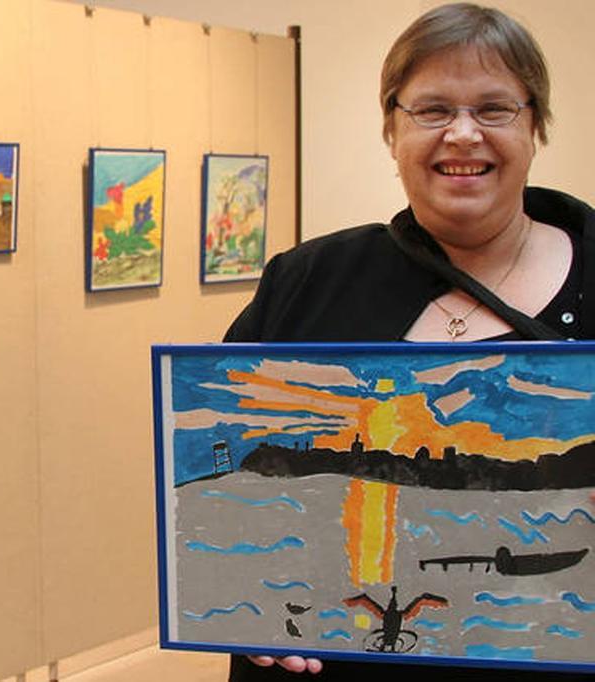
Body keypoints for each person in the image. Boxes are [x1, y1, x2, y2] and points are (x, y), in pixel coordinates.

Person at [224, 3, 593, 680]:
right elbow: (225, 462)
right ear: (391, 128)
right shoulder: (307, 282)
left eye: (494, 108)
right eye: (432, 110)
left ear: (535, 124)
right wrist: (245, 604)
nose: (462, 135)